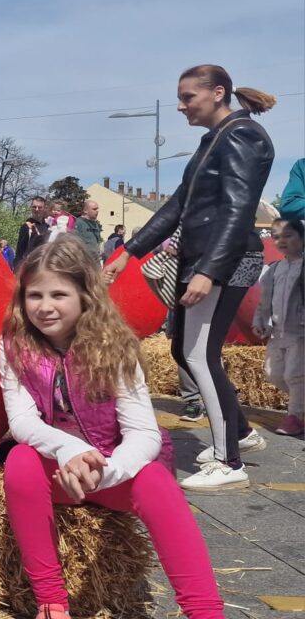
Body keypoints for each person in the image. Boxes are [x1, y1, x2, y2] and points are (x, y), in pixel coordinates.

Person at [1, 237, 223, 619]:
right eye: (34, 295)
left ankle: (206, 612)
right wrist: (68, 451)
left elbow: (145, 434)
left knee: (156, 481)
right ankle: (52, 604)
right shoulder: (13, 344)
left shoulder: (116, 346)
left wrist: (106, 472)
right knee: (20, 461)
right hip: (62, 471)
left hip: (114, 468)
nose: (45, 306)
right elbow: (21, 420)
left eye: (59, 294)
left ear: (86, 295)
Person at [103, 64, 277, 490]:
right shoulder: (213, 140)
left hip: (225, 259)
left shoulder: (241, 136)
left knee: (199, 354)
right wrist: (131, 252)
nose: (181, 106)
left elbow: (237, 209)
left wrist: (209, 271)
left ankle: (228, 462)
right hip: (211, 258)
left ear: (218, 93)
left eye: (187, 97)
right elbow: (176, 208)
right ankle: (239, 434)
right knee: (185, 350)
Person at [253, 218, 304, 436]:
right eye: (276, 237)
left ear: (301, 238)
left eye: (288, 235)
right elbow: (265, 300)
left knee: (295, 374)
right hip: (277, 332)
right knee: (273, 373)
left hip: (299, 332)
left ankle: (294, 416)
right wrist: (259, 320)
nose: (281, 240)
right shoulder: (273, 270)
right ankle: (299, 405)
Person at [15, 196, 51, 266]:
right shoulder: (27, 227)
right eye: (34, 207)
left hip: (44, 265)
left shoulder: (48, 227)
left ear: (44, 209)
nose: (37, 209)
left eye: (40, 207)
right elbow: (20, 251)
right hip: (30, 266)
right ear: (31, 208)